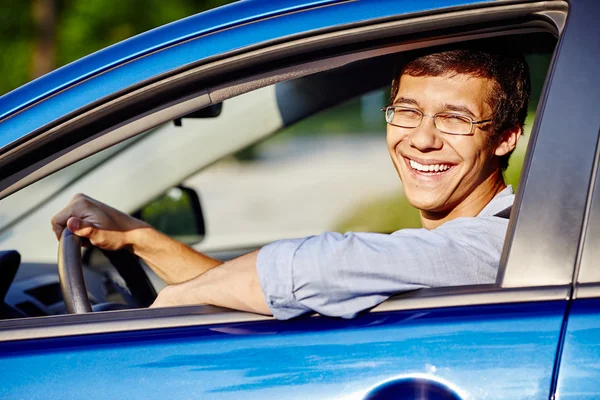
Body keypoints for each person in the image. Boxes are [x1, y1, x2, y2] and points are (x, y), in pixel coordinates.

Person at [51, 42, 530, 319]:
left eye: (454, 120)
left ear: (506, 137)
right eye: (407, 112)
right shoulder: (451, 247)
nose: (421, 140)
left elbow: (318, 267)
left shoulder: (496, 244)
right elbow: (261, 287)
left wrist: (167, 309)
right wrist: (140, 238)